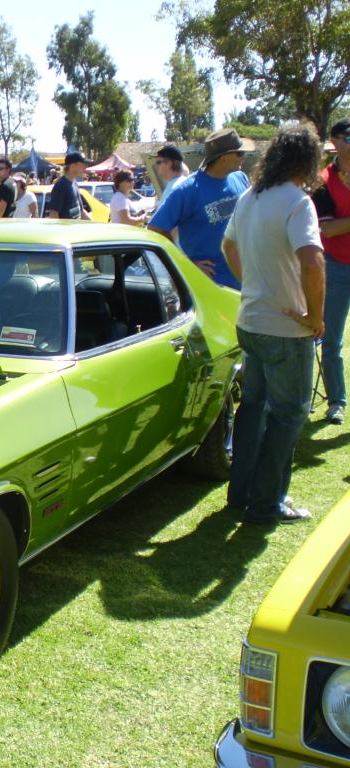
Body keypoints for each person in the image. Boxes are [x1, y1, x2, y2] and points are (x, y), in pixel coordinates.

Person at [221, 125, 325, 525]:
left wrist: (252, 283)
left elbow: (228, 245)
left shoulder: (250, 196)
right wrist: (314, 317)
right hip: (284, 328)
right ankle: (267, 503)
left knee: (253, 409)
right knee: (288, 415)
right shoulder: (298, 201)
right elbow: (312, 261)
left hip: (251, 321)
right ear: (307, 160)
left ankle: (241, 494)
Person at [148, 128, 252, 288]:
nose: (244, 157)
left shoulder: (241, 179)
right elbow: (155, 229)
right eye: (239, 153)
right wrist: (186, 264)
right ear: (223, 158)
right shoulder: (187, 190)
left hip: (247, 283)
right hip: (211, 289)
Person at [311, 118, 350, 426]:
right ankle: (336, 401)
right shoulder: (323, 181)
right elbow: (327, 229)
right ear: (335, 141)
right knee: (332, 339)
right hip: (335, 268)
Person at [45, 151, 92, 220]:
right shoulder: (61, 185)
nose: (85, 167)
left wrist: (95, 225)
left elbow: (81, 212)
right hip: (66, 230)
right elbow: (53, 214)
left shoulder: (74, 183)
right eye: (83, 164)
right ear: (72, 166)